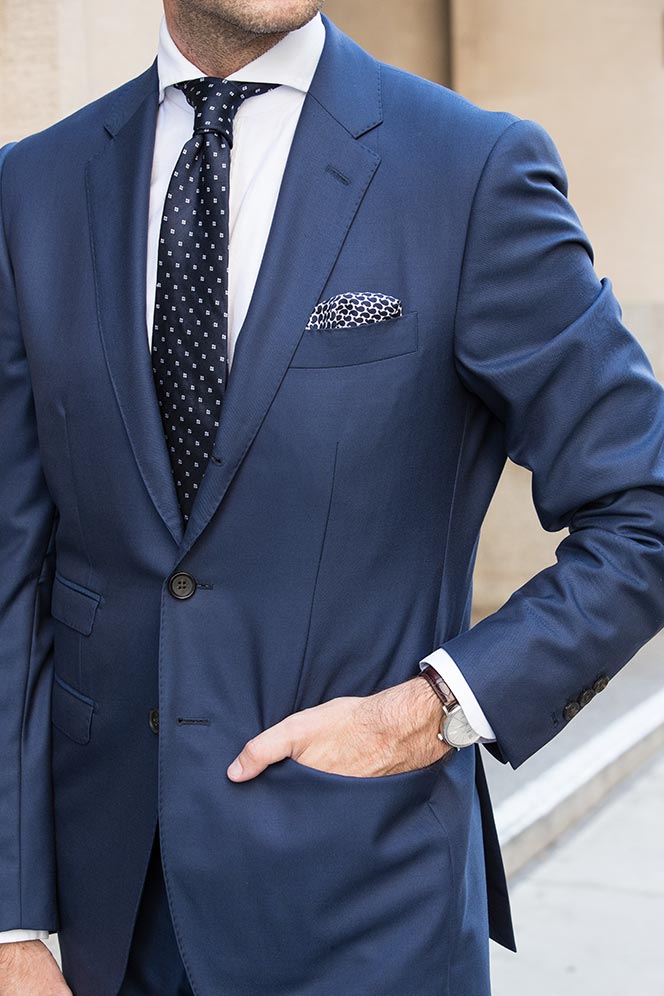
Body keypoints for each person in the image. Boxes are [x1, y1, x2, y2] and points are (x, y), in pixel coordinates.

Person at [1, 2, 664, 994]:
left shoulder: (469, 171)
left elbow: (644, 503)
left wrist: (435, 709)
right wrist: (12, 923)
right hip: (103, 929)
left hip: (366, 910)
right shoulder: (32, 187)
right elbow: (11, 568)